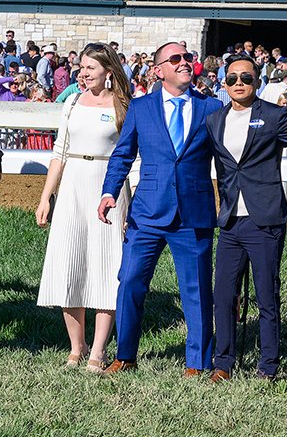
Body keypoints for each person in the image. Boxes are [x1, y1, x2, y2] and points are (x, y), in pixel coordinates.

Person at [97, 41, 223, 375]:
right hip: (147, 214)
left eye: (188, 58)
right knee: (131, 282)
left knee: (196, 290)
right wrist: (109, 192)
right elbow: (123, 154)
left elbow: (226, 161)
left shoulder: (211, 108)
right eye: (176, 58)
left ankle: (197, 361)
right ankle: (125, 356)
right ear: (159, 70)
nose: (185, 62)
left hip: (193, 214)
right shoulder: (141, 108)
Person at [35, 43, 132, 373]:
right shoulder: (72, 102)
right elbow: (59, 151)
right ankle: (77, 347)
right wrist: (46, 196)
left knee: (107, 267)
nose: (83, 72)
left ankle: (99, 351)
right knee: (70, 263)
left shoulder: (122, 104)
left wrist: (127, 205)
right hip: (72, 188)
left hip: (108, 190)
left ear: (108, 70)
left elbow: (132, 157)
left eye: (91, 67)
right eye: (81, 66)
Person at [206, 54, 287, 383]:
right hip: (230, 221)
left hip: (265, 218)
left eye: (246, 77)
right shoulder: (215, 120)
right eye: (232, 79)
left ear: (257, 82)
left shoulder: (274, 116)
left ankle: (268, 365)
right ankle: (223, 362)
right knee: (224, 294)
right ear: (224, 83)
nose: (239, 83)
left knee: (266, 295)